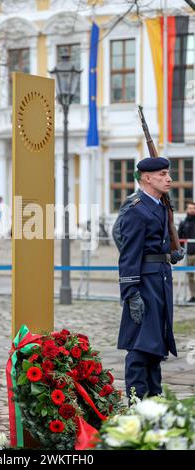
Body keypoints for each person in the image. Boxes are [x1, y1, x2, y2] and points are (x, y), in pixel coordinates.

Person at [117, 157, 177, 402]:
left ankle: (155, 399)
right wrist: (131, 292)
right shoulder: (137, 209)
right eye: (162, 174)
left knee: (156, 346)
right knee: (140, 348)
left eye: (168, 174)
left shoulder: (159, 206)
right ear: (147, 178)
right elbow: (128, 255)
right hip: (145, 285)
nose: (169, 178)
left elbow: (155, 244)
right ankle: (136, 403)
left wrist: (170, 253)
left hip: (160, 281)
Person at [178, 202, 195, 302]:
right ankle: (193, 296)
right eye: (190, 208)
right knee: (190, 276)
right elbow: (179, 238)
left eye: (193, 208)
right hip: (189, 253)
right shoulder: (184, 223)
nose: (191, 210)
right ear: (186, 210)